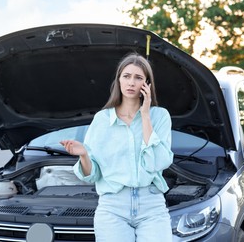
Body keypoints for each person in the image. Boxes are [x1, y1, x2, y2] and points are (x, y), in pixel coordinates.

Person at [60, 52, 173, 242]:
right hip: (112, 207)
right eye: (126, 76)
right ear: (118, 80)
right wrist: (84, 155)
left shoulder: (159, 116)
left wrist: (145, 115)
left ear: (146, 84)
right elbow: (93, 175)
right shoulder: (102, 120)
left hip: (151, 205)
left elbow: (158, 163)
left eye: (138, 78)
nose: (131, 83)